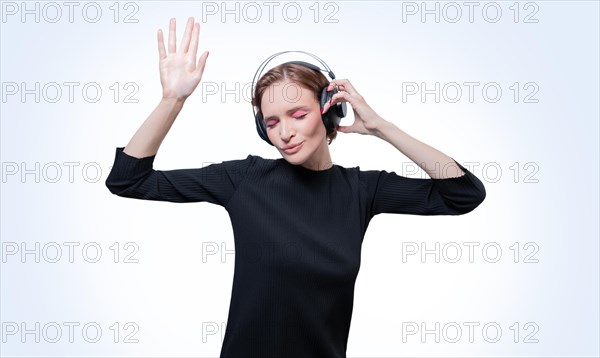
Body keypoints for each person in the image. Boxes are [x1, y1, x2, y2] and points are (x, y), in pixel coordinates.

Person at [105, 17, 486, 358]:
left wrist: (381, 127)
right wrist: (172, 100)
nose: (284, 132)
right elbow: (127, 180)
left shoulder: (361, 190)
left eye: (298, 114)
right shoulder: (243, 179)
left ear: (329, 110)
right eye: (271, 123)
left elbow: (464, 193)